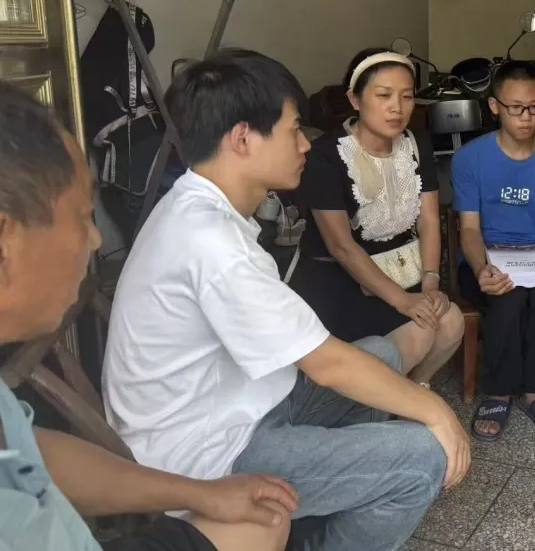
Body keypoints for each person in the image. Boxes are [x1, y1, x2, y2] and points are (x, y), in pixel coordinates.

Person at [102, 51, 471, 551]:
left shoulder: (201, 205)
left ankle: (329, 508)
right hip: (211, 453)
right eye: (294, 130)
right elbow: (328, 365)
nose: (304, 145)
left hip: (244, 403)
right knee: (424, 454)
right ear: (243, 139)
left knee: (381, 355)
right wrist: (437, 411)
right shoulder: (211, 242)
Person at [0, 81, 298, 551]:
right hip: (178, 441)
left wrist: (199, 494)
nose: (96, 240)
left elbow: (30, 451)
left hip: (182, 449)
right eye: (82, 215)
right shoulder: (202, 229)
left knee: (262, 519)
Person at [288, 48, 464, 385]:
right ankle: (375, 401)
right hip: (341, 281)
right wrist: (403, 302)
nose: (397, 107)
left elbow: (429, 219)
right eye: (384, 95)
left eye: (407, 96)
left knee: (451, 321)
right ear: (354, 100)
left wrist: (430, 282)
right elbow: (341, 246)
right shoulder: (326, 155)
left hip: (401, 268)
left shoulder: (416, 145)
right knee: (419, 332)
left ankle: (412, 392)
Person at [451, 61, 535, 441]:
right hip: (485, 257)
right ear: (494, 106)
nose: (526, 117)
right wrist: (480, 268)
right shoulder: (469, 159)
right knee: (507, 297)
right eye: (516, 107)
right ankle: (499, 391)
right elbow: (469, 228)